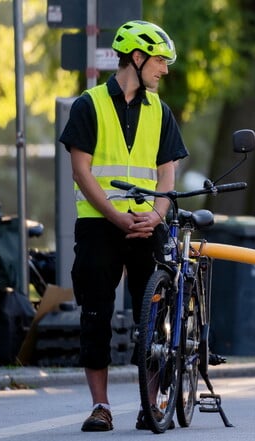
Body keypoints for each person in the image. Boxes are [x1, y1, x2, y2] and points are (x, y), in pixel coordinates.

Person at [59, 20, 189, 432]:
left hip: (148, 224)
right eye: (159, 61)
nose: (164, 70)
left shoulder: (160, 111)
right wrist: (116, 216)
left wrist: (158, 212)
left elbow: (167, 172)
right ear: (136, 58)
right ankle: (101, 406)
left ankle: (150, 404)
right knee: (95, 315)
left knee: (151, 317)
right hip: (100, 224)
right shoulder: (89, 105)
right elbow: (81, 172)